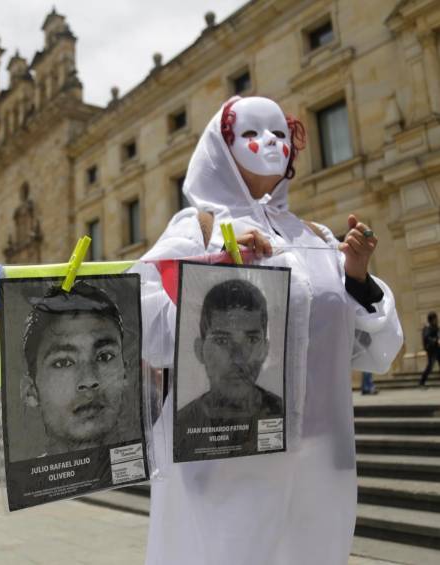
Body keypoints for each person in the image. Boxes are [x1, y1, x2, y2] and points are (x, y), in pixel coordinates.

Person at [134, 96, 403, 565]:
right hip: (229, 455)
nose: (271, 143)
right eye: (253, 133)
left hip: (320, 456)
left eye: (281, 134)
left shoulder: (314, 237)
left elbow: (373, 350)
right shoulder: (197, 230)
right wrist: (219, 270)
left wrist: (357, 279)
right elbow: (147, 329)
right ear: (221, 148)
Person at [175, 278, 282, 458]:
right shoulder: (180, 426)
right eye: (222, 341)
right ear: (199, 350)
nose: (238, 358)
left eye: (251, 340)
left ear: (265, 349)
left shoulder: (284, 417)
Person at [19, 281, 129, 456]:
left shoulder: (157, 469)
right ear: (31, 391)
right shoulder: (28, 480)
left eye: (104, 357)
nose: (89, 381)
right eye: (63, 362)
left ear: (125, 372)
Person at [419, 311, 439, 387]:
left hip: (437, 349)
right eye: (435, 318)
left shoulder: (436, 327)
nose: (437, 319)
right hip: (431, 350)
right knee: (430, 366)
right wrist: (435, 340)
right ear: (432, 319)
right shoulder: (427, 328)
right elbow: (426, 338)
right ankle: (422, 382)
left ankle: (422, 382)